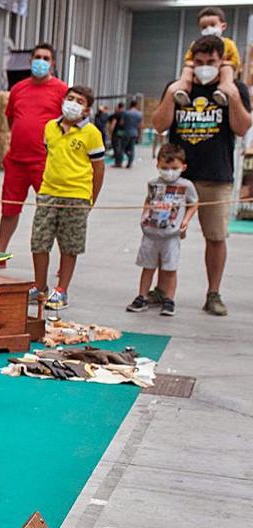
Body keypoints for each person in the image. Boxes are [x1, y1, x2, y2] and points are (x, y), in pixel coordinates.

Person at [152, 34, 251, 316]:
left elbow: (242, 128)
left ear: (222, 63)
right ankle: (161, 289)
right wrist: (174, 92)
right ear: (190, 62)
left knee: (216, 237)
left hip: (216, 176)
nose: (204, 67)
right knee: (163, 234)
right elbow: (159, 124)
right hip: (175, 176)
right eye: (199, 62)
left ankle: (213, 293)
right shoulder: (178, 88)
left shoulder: (235, 89)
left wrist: (231, 94)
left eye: (211, 62)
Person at [29, 86, 106, 311]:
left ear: (86, 109)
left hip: (76, 196)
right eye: (70, 98)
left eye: (79, 101)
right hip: (48, 192)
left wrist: (91, 198)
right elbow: (50, 155)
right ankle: (40, 286)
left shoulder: (91, 133)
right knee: (39, 241)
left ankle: (61, 289)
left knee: (69, 245)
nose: (72, 103)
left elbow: (98, 169)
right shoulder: (50, 128)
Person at [0, 43, 67, 258]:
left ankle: (61, 255)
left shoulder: (62, 90)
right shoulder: (18, 89)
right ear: (30, 60)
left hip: (45, 161)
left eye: (46, 58)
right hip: (16, 160)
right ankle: (0, 251)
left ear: (53, 63)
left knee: (50, 211)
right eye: (37, 57)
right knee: (8, 209)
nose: (41, 62)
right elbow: (10, 119)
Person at [126, 144, 198, 317]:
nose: (169, 172)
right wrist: (144, 215)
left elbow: (194, 203)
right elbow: (148, 200)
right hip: (151, 233)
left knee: (170, 268)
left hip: (171, 235)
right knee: (147, 266)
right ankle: (142, 296)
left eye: (174, 168)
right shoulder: (153, 184)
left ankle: (169, 299)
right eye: (165, 168)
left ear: (183, 167)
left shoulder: (186, 186)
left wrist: (186, 221)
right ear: (157, 165)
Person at [170, 6, 242, 109]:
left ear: (223, 26)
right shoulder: (196, 44)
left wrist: (221, 64)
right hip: (197, 72)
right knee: (187, 70)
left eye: (212, 25)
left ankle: (222, 92)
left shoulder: (229, 44)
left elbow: (235, 61)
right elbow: (188, 59)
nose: (208, 29)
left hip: (222, 70)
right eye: (204, 27)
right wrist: (193, 65)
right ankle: (183, 91)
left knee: (227, 69)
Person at [116, 99, 143, 169]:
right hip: (134, 133)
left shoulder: (126, 113)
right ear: (136, 105)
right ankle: (129, 163)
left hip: (126, 132)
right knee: (132, 148)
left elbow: (121, 123)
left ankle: (119, 162)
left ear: (130, 104)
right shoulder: (139, 114)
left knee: (122, 148)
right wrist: (140, 135)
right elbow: (140, 126)